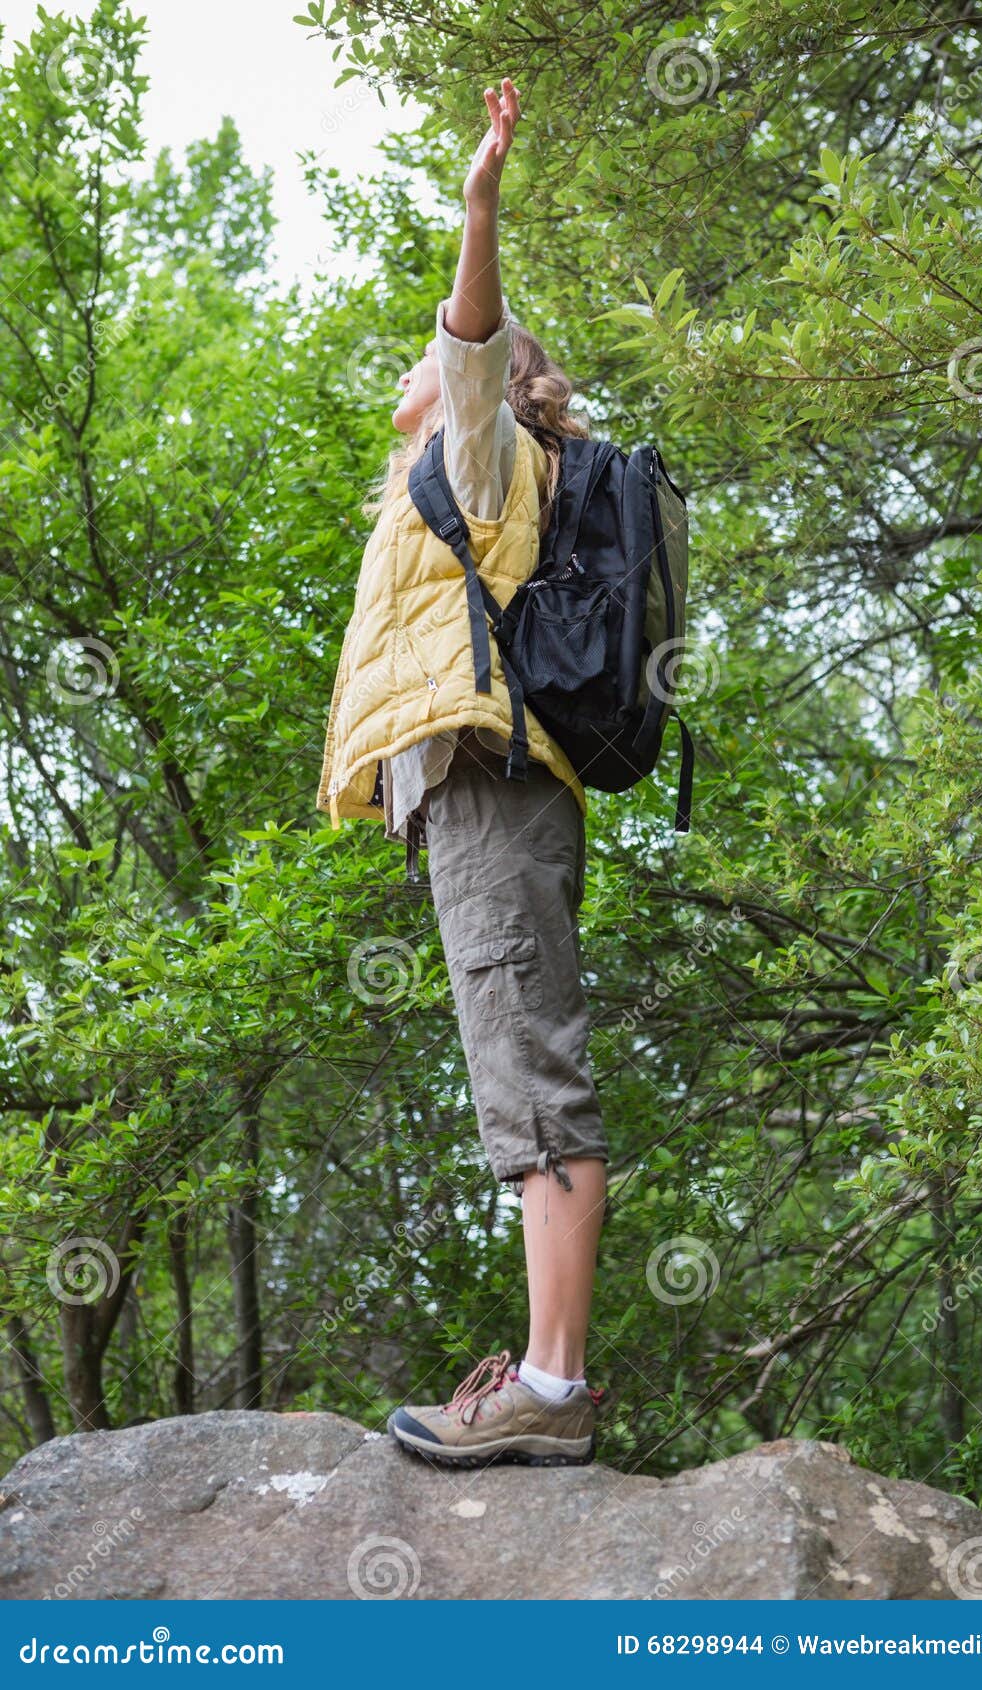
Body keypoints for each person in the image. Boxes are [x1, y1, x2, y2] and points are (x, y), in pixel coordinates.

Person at [317, 77, 607, 1467]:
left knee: (533, 1075)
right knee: (517, 1063)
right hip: (482, 792)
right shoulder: (457, 480)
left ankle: (549, 1390)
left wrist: (480, 200)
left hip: (494, 792)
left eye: (424, 358)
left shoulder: (482, 452)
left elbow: (470, 330)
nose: (411, 368)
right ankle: (547, 1374)